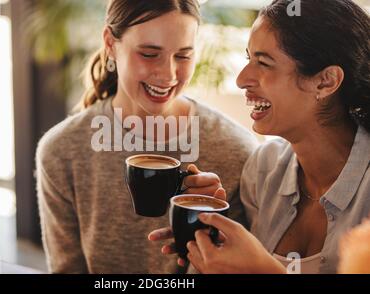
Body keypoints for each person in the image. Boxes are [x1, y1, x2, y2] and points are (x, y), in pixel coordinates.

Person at [36, 0, 258, 274]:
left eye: (183, 56)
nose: (168, 74)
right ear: (110, 43)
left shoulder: (236, 150)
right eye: (149, 54)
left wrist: (207, 234)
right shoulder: (61, 151)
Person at [149, 0, 370, 274]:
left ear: (325, 81)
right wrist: (210, 235)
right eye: (248, 59)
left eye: (264, 63)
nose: (241, 79)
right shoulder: (263, 170)